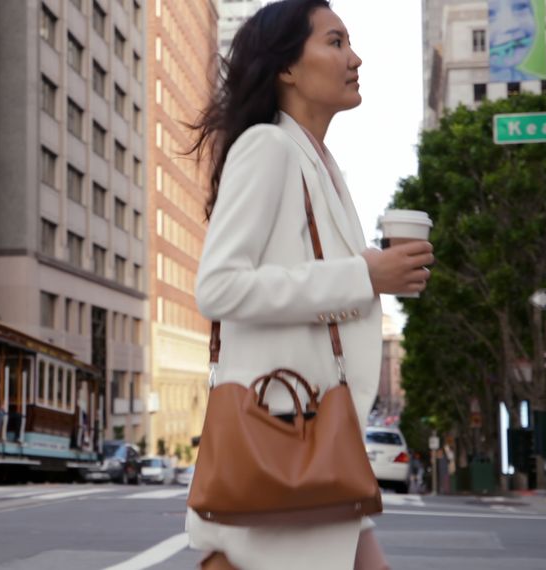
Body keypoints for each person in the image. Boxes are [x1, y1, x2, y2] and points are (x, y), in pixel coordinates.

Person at [186, 2, 434, 568]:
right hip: (284, 440)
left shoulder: (317, 160)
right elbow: (219, 287)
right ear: (287, 69)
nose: (356, 58)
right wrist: (365, 276)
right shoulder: (268, 148)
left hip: (318, 444)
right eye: (336, 42)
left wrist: (372, 278)